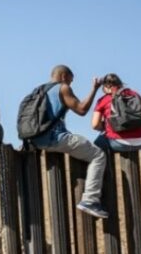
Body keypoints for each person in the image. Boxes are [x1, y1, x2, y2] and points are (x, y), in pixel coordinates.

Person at [28, 65, 107, 218]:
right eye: (70, 80)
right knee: (98, 155)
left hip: (36, 139)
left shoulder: (39, 90)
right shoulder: (62, 88)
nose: (70, 84)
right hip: (54, 138)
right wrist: (94, 89)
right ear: (64, 76)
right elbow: (82, 110)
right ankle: (90, 200)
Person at [91, 73, 141, 152]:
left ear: (106, 87)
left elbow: (95, 125)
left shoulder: (103, 99)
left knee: (98, 144)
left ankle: (107, 164)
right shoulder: (135, 94)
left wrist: (105, 125)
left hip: (119, 143)